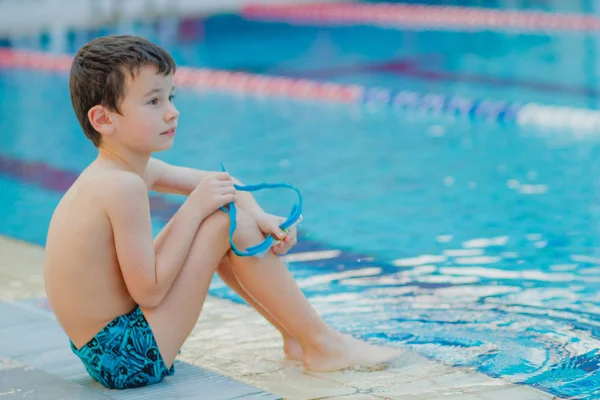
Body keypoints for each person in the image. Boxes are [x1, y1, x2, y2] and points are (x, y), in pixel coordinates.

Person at [43, 35, 396, 390]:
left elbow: (222, 182)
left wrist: (259, 216)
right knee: (221, 219)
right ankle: (321, 344)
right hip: (126, 357)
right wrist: (194, 210)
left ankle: (300, 337)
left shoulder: (119, 172)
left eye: (170, 96)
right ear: (103, 119)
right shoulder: (122, 186)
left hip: (107, 352)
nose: (172, 111)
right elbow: (148, 292)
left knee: (228, 214)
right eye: (153, 101)